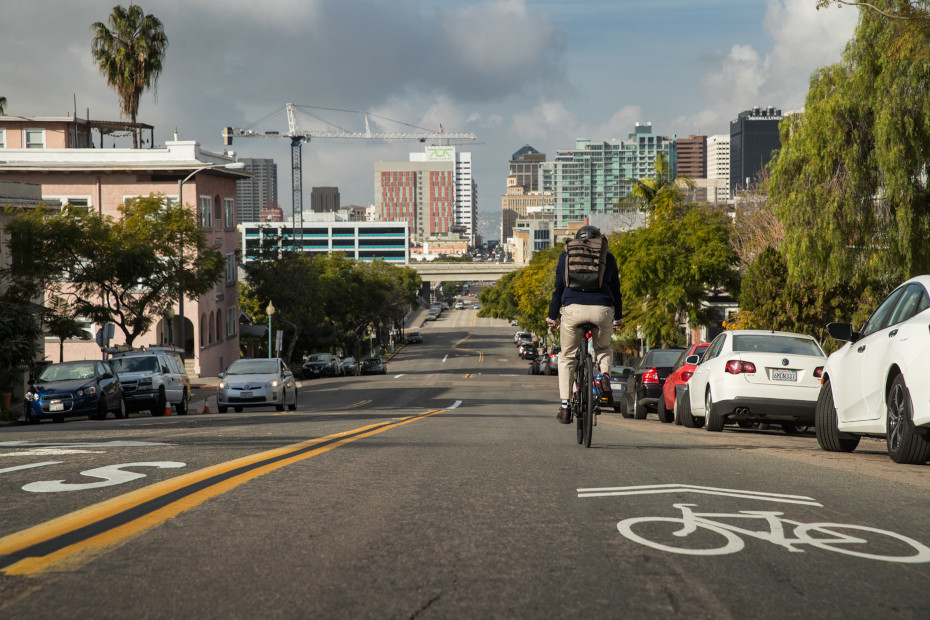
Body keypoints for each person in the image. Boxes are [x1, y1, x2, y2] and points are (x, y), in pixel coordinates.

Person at [545, 225, 622, 424]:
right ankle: (604, 375)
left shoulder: (565, 256)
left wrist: (552, 316)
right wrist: (617, 318)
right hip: (603, 310)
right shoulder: (608, 257)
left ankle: (565, 407)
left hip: (572, 310)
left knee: (567, 357)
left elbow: (558, 289)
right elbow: (616, 290)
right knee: (603, 347)